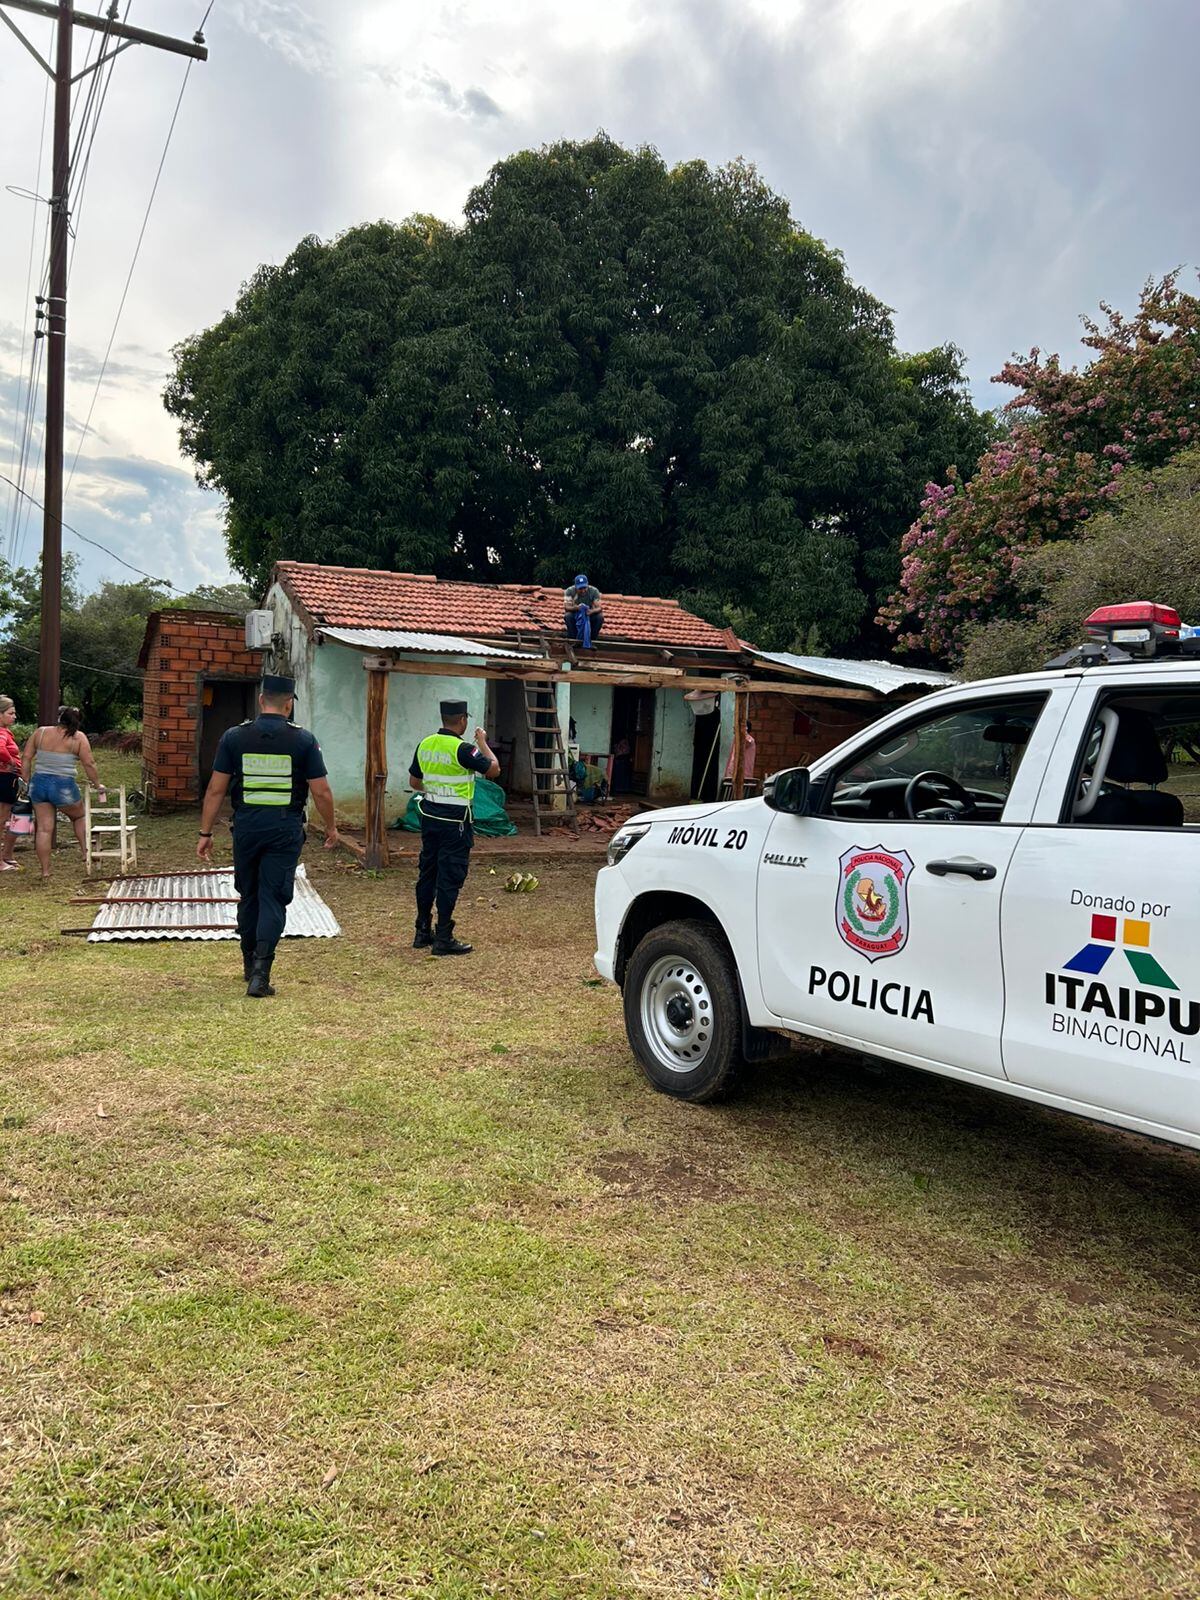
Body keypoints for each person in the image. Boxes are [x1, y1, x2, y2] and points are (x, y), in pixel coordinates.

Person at [196, 674, 338, 998]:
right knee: (273, 897)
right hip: (284, 830)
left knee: (249, 895)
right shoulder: (303, 741)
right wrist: (331, 827)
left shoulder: (234, 737)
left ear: (262, 700)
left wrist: (205, 832)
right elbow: (322, 792)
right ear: (288, 704)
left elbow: (216, 789)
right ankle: (261, 972)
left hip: (246, 827)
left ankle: (249, 962)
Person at [410, 699, 499, 956]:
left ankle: (422, 931)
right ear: (462, 720)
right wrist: (482, 742)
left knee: (428, 873)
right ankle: (443, 937)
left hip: (430, 817)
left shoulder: (425, 744)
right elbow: (494, 769)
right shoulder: (463, 749)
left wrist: (437, 791)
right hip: (456, 823)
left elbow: (414, 781)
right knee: (449, 877)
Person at [21, 706, 106, 881]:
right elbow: (89, 763)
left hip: (39, 784)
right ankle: (86, 853)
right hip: (63, 785)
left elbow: (27, 757)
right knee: (79, 817)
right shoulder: (78, 737)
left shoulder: (40, 732)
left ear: (59, 717)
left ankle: (45, 871)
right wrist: (97, 784)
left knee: (44, 829)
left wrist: (26, 780)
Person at [0, 697, 22, 870]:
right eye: (10, 713)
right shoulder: (1, 732)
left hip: (10, 778)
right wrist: (11, 761)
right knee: (1, 819)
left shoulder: (6, 732)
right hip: (5, 778)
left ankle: (6, 856)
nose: (14, 716)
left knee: (14, 817)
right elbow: (1, 749)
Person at [563, 575, 603, 647]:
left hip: (589, 614)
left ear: (587, 585)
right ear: (575, 586)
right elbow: (567, 607)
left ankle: (592, 641)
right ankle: (573, 640)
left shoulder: (594, 591)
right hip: (575, 614)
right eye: (580, 588)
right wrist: (577, 608)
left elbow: (599, 608)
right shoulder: (569, 591)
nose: (583, 591)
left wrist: (591, 611)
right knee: (568, 616)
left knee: (599, 617)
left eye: (584, 588)